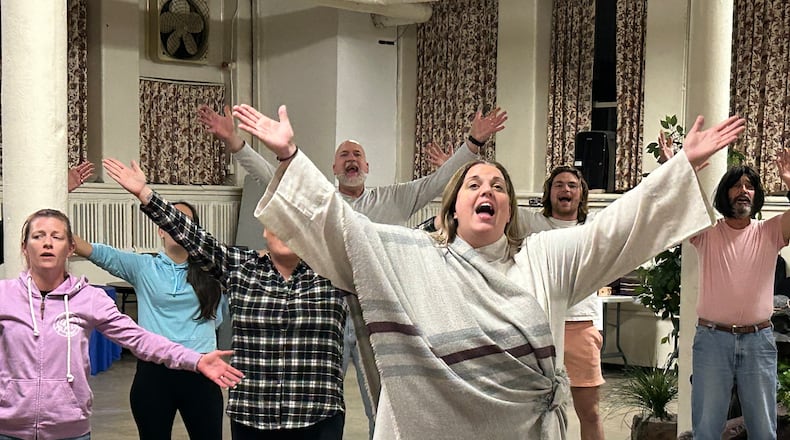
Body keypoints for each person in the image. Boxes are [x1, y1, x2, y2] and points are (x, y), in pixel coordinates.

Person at [237, 103, 744, 438]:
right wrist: (288, 156)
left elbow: (613, 230)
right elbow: (339, 226)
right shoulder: (411, 254)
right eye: (474, 184)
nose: (487, 191)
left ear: (508, 208)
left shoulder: (544, 256)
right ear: (453, 206)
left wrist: (682, 169)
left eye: (498, 186)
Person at [199, 103, 507, 437]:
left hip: (374, 312)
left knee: (386, 398)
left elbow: (437, 182)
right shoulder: (320, 201)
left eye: (357, 155)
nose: (351, 159)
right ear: (333, 167)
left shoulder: (393, 199)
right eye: (344, 154)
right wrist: (235, 143)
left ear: (367, 166)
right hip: (324, 311)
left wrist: (473, 143)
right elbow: (271, 175)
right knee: (322, 400)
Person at [102, 157, 348, 440]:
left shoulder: (334, 274)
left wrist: (289, 153)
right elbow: (193, 237)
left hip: (317, 417)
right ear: (265, 230)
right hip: (254, 417)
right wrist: (146, 195)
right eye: (277, 220)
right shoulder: (240, 268)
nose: (285, 228)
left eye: (293, 220)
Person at [0, 208, 242, 440]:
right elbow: (101, 254)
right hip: (9, 427)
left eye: (56, 236)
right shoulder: (4, 296)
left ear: (71, 247)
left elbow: (138, 337)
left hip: (69, 429)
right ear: (24, 247)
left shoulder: (88, 298)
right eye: (38, 236)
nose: (47, 243)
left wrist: (196, 360)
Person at [73, 201, 226, 439]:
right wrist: (64, 189)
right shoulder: (143, 267)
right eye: (171, 220)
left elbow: (219, 317)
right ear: (160, 229)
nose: (177, 226)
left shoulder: (214, 269)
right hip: (155, 373)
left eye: (184, 221)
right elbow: (89, 249)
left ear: (194, 231)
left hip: (202, 370)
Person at [687, 155, 790, 439]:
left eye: (750, 186)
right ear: (725, 193)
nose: (743, 190)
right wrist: (681, 171)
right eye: (736, 185)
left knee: (763, 430)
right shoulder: (707, 232)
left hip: (759, 341)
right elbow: (683, 209)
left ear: (756, 195)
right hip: (712, 340)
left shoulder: (771, 231)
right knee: (706, 429)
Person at [518, 166, 604, 440]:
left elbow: (639, 207)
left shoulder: (594, 225)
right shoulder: (531, 224)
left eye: (572, 185)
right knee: (532, 410)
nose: (565, 190)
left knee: (589, 412)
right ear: (549, 192)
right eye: (558, 185)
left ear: (581, 194)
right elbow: (498, 200)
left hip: (581, 326)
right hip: (538, 328)